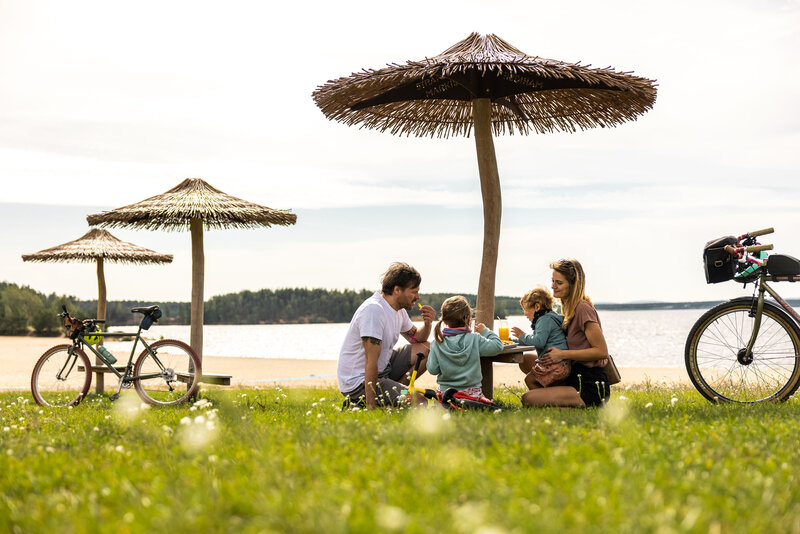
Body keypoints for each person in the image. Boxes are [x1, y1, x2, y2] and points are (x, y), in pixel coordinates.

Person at [338, 262, 435, 409]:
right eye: (414, 291)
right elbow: (370, 361)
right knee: (420, 402)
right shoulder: (374, 311)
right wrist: (372, 407)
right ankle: (367, 403)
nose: (418, 297)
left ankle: (397, 392)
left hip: (383, 371)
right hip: (359, 382)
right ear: (397, 290)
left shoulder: (398, 310)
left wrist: (428, 324)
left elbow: (417, 339)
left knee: (427, 349)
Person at [521, 259, 611, 408]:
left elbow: (601, 351)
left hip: (588, 383)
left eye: (559, 283)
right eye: (552, 281)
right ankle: (558, 401)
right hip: (571, 372)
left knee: (528, 399)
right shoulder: (568, 308)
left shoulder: (583, 309)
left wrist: (562, 354)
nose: (553, 286)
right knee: (526, 360)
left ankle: (565, 406)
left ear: (573, 285)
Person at [426, 296, 503, 398]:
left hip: (446, 394)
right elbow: (497, 346)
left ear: (444, 320)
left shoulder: (436, 343)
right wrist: (485, 331)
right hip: (472, 394)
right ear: (468, 318)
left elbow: (432, 370)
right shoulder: (475, 339)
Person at [510, 287, 570, 389]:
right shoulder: (549, 318)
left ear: (537, 307)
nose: (525, 314)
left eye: (526, 310)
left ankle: (543, 402)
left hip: (555, 366)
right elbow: (533, 340)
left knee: (530, 380)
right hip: (561, 365)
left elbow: (538, 342)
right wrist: (513, 342)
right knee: (535, 380)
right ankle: (550, 397)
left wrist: (522, 335)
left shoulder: (544, 320)